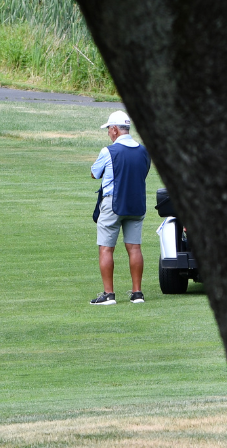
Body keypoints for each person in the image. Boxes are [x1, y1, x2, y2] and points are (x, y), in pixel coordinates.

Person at [89, 111, 150, 305]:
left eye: (109, 129)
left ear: (115, 129)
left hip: (113, 204)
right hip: (136, 203)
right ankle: (137, 293)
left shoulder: (108, 151)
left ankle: (108, 295)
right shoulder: (144, 151)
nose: (108, 132)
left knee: (106, 248)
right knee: (134, 248)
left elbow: (94, 173)